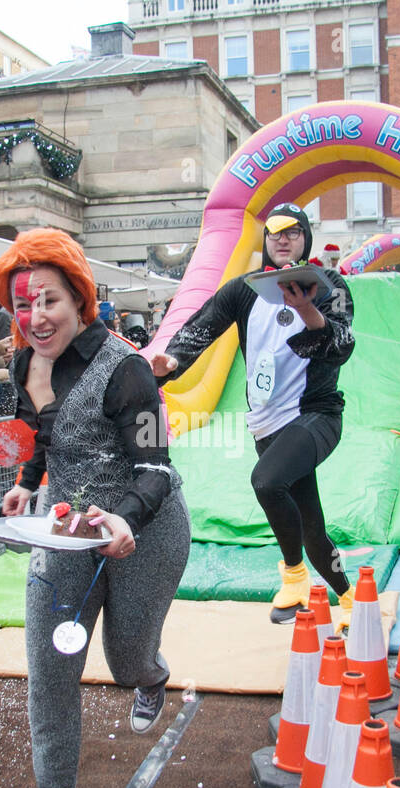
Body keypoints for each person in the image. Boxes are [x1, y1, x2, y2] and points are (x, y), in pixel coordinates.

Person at [0, 228, 190, 788]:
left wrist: (128, 518)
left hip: (147, 531)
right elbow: (40, 434)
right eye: (23, 305)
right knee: (51, 670)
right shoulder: (24, 362)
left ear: (79, 299)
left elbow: (156, 465)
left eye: (48, 300)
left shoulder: (128, 368)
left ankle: (150, 676)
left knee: (125, 657)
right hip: (65, 532)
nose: (36, 317)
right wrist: (27, 484)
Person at [150, 203, 355, 628]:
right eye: (275, 231)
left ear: (305, 239)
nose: (283, 238)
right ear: (265, 240)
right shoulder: (243, 290)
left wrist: (308, 312)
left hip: (316, 414)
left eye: (293, 231)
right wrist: (170, 362)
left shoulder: (328, 284)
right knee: (311, 527)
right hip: (266, 421)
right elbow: (201, 326)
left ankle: (294, 576)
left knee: (267, 479)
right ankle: (352, 598)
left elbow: (343, 345)